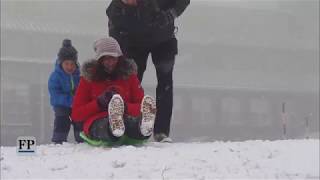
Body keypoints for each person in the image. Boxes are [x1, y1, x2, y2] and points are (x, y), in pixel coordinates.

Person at [106, 0, 190, 142]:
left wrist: (172, 13)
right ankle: (129, 127)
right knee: (132, 83)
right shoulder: (116, 10)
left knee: (165, 84)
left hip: (164, 40)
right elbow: (114, 29)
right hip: (134, 44)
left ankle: (161, 132)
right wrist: (119, 52)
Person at [71, 36, 156, 146]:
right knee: (104, 126)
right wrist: (98, 103)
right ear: (99, 60)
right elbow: (76, 114)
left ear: (119, 58)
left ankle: (143, 128)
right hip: (98, 119)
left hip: (125, 116)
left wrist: (125, 107)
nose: (110, 62)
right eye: (105, 58)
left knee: (130, 124)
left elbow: (140, 104)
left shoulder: (129, 76)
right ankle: (115, 126)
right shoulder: (88, 78)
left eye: (113, 58)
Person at [48, 39, 83, 144]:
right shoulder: (56, 76)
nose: (69, 67)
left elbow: (83, 90)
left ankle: (81, 137)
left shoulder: (79, 76)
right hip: (61, 104)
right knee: (62, 119)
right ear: (61, 63)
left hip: (76, 104)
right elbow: (55, 94)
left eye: (72, 64)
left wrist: (78, 100)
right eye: (66, 64)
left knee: (80, 118)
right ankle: (59, 139)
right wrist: (70, 100)